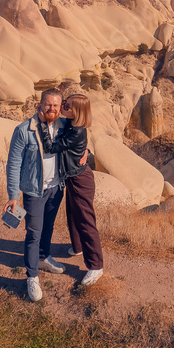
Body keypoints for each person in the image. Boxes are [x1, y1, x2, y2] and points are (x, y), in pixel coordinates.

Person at [4, 88, 69, 301]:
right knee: (33, 233)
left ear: (60, 108)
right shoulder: (24, 130)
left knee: (48, 227)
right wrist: (13, 195)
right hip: (34, 190)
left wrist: (86, 151)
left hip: (56, 188)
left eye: (55, 106)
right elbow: (13, 165)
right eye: (48, 104)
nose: (51, 109)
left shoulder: (63, 128)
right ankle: (32, 276)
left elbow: (78, 141)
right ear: (39, 105)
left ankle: (44, 257)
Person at [39, 93, 104, 286]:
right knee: (72, 215)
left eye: (66, 105)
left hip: (80, 179)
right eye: (63, 104)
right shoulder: (71, 124)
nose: (62, 108)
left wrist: (43, 124)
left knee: (85, 220)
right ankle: (78, 247)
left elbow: (51, 147)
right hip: (72, 177)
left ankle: (96, 265)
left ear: (75, 111)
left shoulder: (76, 131)